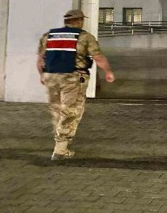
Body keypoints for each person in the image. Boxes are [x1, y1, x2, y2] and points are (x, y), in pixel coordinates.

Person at [36, 9, 116, 161]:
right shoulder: (84, 37)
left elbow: (40, 60)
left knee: (56, 109)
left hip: (51, 77)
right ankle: (60, 149)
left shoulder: (49, 36)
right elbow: (98, 57)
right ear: (79, 21)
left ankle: (60, 142)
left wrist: (42, 75)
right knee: (70, 111)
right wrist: (108, 72)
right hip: (72, 77)